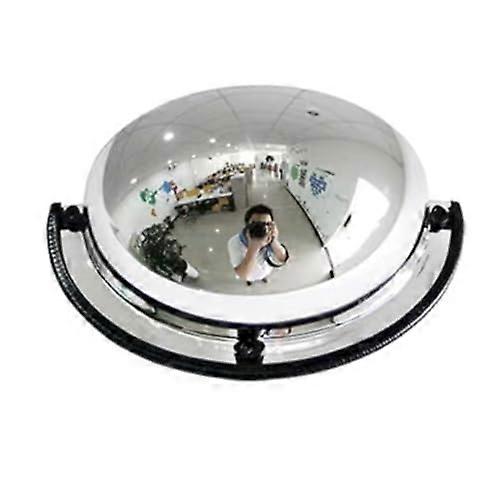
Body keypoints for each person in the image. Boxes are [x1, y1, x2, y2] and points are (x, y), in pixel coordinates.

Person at [227, 204, 289, 286]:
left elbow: (282, 258)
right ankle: (249, 281)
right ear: (247, 225)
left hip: (266, 270)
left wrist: (274, 240)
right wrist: (254, 247)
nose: (262, 228)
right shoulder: (235, 242)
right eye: (256, 224)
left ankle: (263, 277)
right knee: (249, 279)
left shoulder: (269, 237)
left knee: (264, 275)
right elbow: (242, 274)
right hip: (250, 275)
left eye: (267, 224)